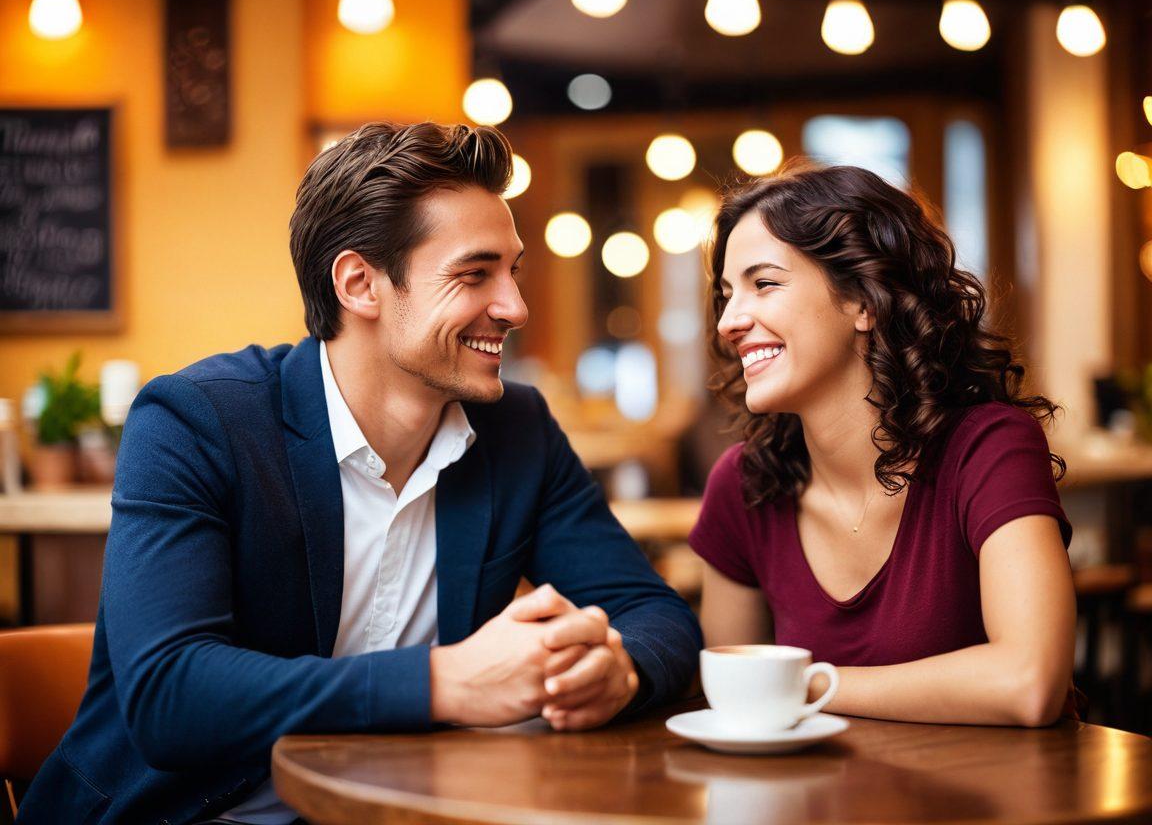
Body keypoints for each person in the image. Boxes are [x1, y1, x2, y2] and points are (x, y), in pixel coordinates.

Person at [18, 122, 701, 825]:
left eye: (513, 271)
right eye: (475, 274)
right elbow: (169, 695)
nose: (515, 308)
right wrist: (445, 682)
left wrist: (620, 671)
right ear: (359, 284)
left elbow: (658, 616)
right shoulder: (197, 421)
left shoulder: (516, 430)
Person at [689, 163, 1076, 727]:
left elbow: (1030, 682)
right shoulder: (745, 484)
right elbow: (731, 704)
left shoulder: (987, 447)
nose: (729, 321)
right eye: (726, 295)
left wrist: (802, 684)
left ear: (864, 302)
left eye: (764, 284)